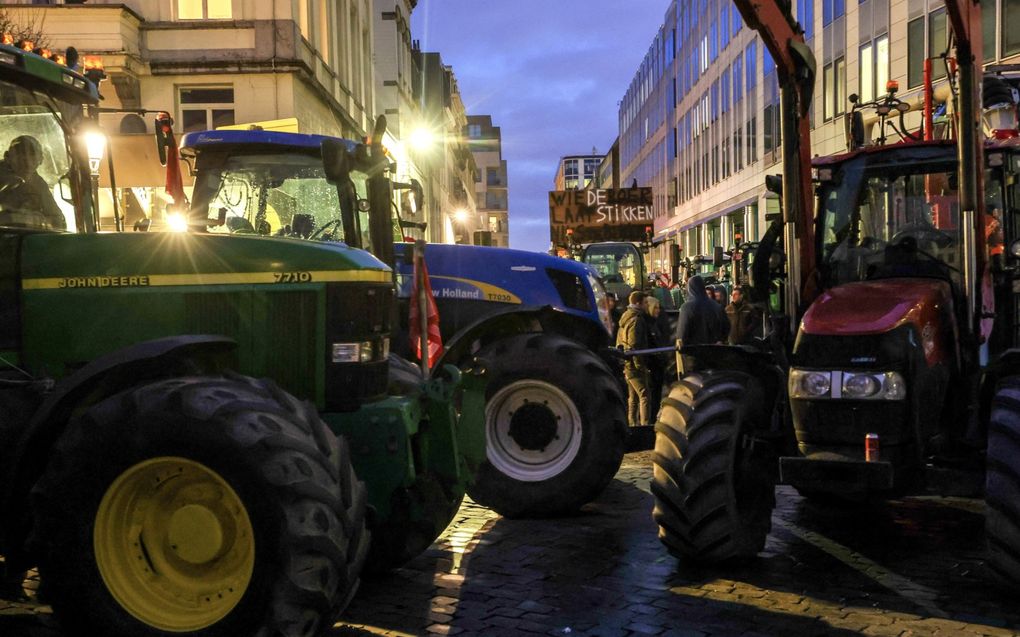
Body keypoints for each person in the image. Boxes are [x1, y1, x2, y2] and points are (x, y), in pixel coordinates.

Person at [0, 135, 65, 230]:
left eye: (33, 157)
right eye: (21, 157)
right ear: (8, 157)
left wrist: (41, 220)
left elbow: (59, 222)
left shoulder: (39, 184)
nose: (28, 163)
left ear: (40, 160)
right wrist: (13, 217)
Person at [616, 290, 651, 427]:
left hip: (626, 363)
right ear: (638, 303)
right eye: (645, 302)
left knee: (633, 397)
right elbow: (634, 344)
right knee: (644, 395)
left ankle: (632, 424)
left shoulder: (625, 317)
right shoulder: (636, 320)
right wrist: (640, 366)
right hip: (634, 365)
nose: (646, 305)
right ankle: (645, 425)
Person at [675, 275, 730, 347]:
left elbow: (682, 331)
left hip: (693, 351)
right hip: (714, 349)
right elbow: (726, 326)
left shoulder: (686, 307)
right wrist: (721, 340)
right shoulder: (716, 306)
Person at [644, 296, 668, 424]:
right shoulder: (647, 324)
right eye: (656, 308)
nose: (658, 310)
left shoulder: (654, 323)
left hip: (657, 364)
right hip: (652, 365)